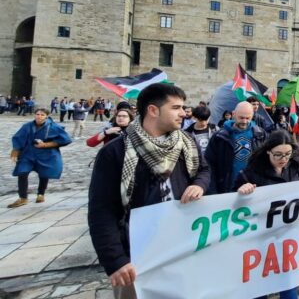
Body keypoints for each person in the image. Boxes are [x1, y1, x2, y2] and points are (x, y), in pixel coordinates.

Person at [88, 83, 210, 299]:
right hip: (136, 252)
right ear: (153, 110)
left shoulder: (186, 142)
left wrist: (198, 184)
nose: (184, 113)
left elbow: (203, 169)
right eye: (176, 108)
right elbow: (102, 210)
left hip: (180, 243)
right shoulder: (115, 152)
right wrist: (116, 260)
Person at [235, 130, 299, 299]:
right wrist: (241, 191)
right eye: (278, 155)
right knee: (259, 283)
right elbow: (232, 203)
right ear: (268, 151)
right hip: (260, 238)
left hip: (287, 234)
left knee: (288, 281)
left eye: (287, 154)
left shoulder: (294, 164)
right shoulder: (251, 172)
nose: (283, 159)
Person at [8, 108, 72, 208]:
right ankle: (23, 198)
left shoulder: (53, 127)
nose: (39, 116)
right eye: (37, 114)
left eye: (42, 115)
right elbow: (18, 138)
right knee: (22, 172)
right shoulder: (27, 126)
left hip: (46, 155)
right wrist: (16, 151)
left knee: (44, 173)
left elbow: (66, 139)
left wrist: (46, 144)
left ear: (46, 116)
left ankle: (40, 194)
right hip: (28, 154)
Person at [205, 101, 266, 195]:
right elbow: (209, 164)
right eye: (241, 117)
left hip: (253, 188)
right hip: (226, 189)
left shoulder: (260, 134)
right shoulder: (219, 137)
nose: (244, 121)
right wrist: (212, 191)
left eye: (248, 118)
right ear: (234, 114)